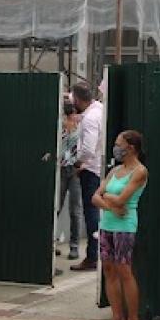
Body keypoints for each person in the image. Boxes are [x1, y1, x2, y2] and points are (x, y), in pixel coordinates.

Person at [93, 130, 149, 320]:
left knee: (124, 270)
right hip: (108, 223)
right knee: (109, 269)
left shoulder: (139, 172)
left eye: (118, 144)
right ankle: (117, 318)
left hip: (125, 226)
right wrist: (110, 205)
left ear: (131, 148)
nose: (115, 147)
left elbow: (122, 200)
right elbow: (94, 198)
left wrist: (106, 197)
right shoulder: (115, 170)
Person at [70, 82, 104, 271]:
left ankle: (92, 256)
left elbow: (88, 149)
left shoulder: (90, 118)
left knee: (91, 213)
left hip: (90, 170)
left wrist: (78, 162)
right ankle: (95, 254)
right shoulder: (99, 110)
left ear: (77, 99)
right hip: (98, 168)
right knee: (95, 212)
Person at [57, 100, 85, 264]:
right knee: (56, 208)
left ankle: (74, 246)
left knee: (75, 209)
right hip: (61, 169)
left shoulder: (81, 127)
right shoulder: (60, 126)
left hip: (75, 170)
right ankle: (53, 244)